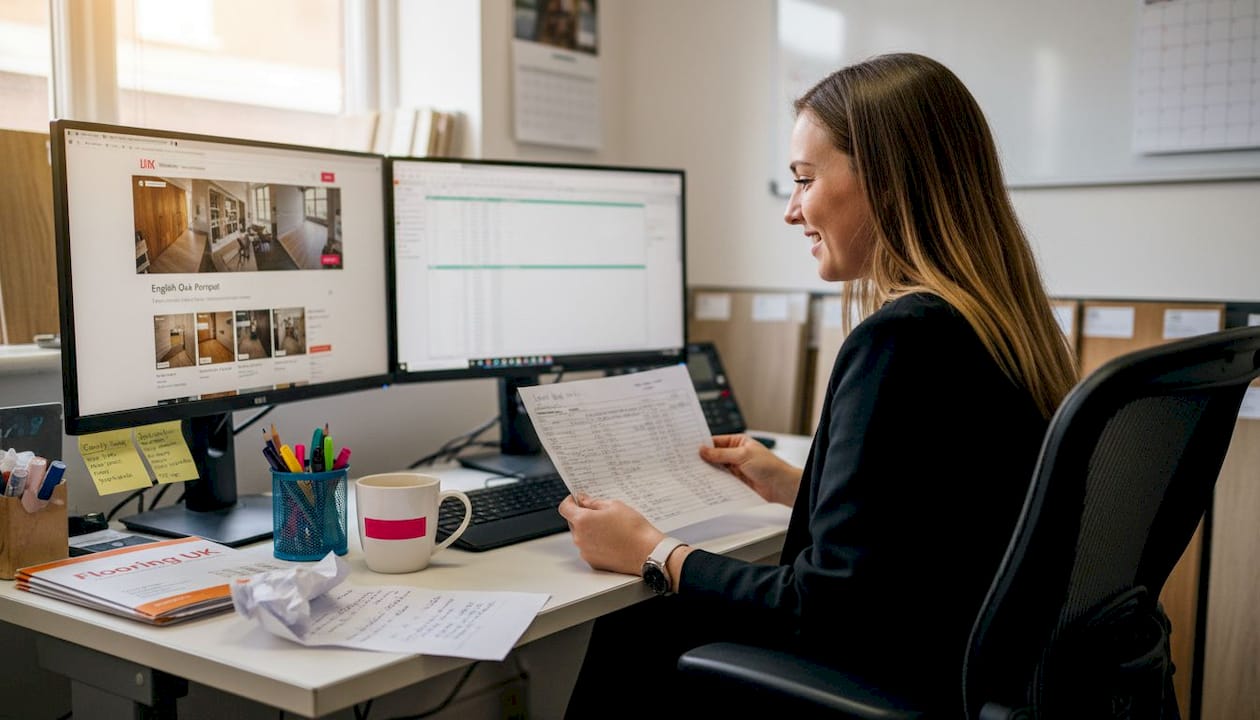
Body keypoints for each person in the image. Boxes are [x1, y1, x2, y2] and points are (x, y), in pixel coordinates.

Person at [557, 52, 1079, 716]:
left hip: (902, 669)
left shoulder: (901, 339)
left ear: (888, 182)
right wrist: (802, 489)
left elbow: (824, 606)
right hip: (975, 660)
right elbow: (945, 528)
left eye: (804, 180)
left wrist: (653, 552)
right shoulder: (998, 323)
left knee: (634, 623)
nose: (792, 210)